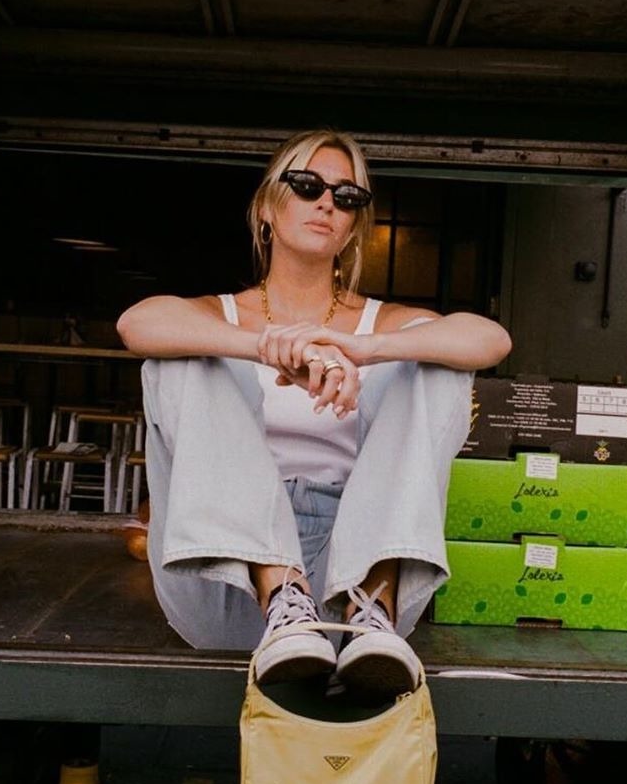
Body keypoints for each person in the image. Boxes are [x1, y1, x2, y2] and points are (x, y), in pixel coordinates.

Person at [117, 130, 511, 699]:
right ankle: (282, 594)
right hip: (225, 575)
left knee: (435, 361)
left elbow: (490, 340)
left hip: (351, 573)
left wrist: (365, 350)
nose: (327, 202)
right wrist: (267, 348)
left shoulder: (378, 321)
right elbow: (136, 324)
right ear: (266, 208)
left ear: (352, 227)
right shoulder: (220, 314)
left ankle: (373, 605)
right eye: (307, 185)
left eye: (347, 196)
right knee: (184, 358)